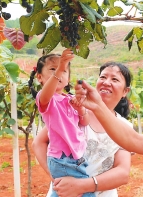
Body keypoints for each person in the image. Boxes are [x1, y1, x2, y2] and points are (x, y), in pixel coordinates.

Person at [32, 62, 134, 197]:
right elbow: (38, 143)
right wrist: (56, 178)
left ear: (125, 91)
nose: (106, 82)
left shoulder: (125, 127)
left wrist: (81, 186)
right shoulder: (75, 110)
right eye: (103, 77)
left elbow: (122, 172)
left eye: (114, 79)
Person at [28, 48, 93, 197]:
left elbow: (85, 122)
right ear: (39, 77)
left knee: (66, 192)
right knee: (84, 193)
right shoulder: (46, 99)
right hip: (63, 159)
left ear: (68, 78)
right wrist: (61, 68)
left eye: (64, 71)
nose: (59, 72)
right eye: (53, 69)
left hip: (76, 157)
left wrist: (81, 109)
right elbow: (46, 95)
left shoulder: (69, 99)